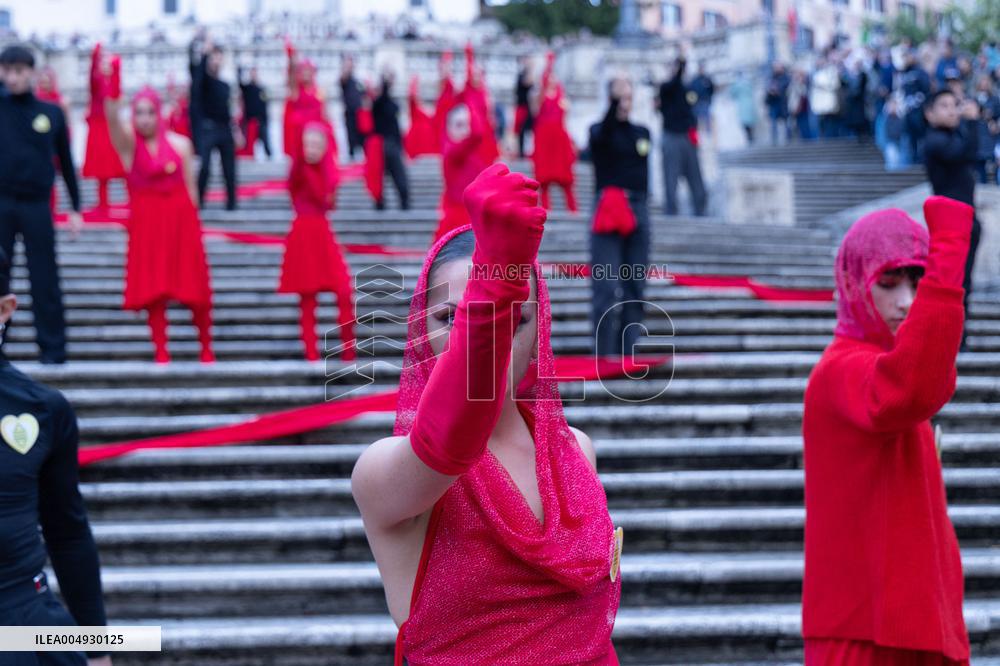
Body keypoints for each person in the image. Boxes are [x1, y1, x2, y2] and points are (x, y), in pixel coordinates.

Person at [352, 163, 622, 664]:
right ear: (418, 331)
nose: (481, 340)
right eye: (450, 318)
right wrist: (497, 278)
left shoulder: (578, 451)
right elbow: (454, 432)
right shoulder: (384, 470)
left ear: (539, 333)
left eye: (514, 319)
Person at [802, 197, 973, 666]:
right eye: (888, 282)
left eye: (917, 282)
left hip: (911, 627)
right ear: (855, 284)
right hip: (864, 638)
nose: (906, 301)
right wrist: (950, 249)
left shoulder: (874, 366)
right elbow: (914, 384)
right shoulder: (839, 370)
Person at [0, 246, 112, 666]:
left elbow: (67, 532)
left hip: (20, 626)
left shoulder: (43, 410)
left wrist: (100, 649)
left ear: (5, 309)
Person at [105, 87, 215, 364]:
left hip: (181, 221)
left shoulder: (181, 145)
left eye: (150, 112)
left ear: (159, 113)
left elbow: (191, 190)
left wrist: (195, 230)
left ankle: (206, 347)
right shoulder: (129, 146)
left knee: (194, 284)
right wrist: (111, 85)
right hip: (147, 224)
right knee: (155, 287)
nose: (144, 119)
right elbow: (111, 120)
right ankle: (161, 350)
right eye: (139, 113)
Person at [0, 44, 82, 365]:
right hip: (1, 203)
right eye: (7, 70)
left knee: (44, 277)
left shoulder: (50, 113)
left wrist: (76, 208)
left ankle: (53, 349)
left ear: (32, 72)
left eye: (20, 71)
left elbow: (66, 161)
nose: (13, 77)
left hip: (36, 205)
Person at [280, 120, 356, 362]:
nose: (311, 148)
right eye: (307, 144)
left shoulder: (328, 171)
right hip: (303, 233)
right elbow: (292, 187)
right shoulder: (299, 167)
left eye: (316, 144)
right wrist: (302, 160)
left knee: (344, 290)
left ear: (325, 147)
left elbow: (327, 200)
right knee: (307, 296)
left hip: (322, 232)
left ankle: (348, 349)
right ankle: (311, 353)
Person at [589, 76, 651, 357]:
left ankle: (629, 351)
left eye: (628, 97)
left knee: (635, 282)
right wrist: (612, 107)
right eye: (619, 98)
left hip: (637, 208)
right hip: (608, 208)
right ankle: (604, 354)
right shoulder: (599, 131)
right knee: (605, 285)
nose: (625, 103)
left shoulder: (642, 132)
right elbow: (601, 138)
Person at [924, 88, 981, 349]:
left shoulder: (953, 137)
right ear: (930, 113)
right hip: (950, 224)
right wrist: (971, 122)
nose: (953, 110)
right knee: (954, 283)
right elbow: (964, 153)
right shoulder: (934, 141)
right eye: (945, 105)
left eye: (954, 104)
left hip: (965, 220)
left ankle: (958, 336)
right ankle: (952, 337)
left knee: (964, 282)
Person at [657, 54, 707, 216]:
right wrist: (680, 63)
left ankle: (700, 211)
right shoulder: (666, 89)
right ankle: (671, 212)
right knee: (670, 180)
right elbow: (674, 83)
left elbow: (692, 108)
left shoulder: (687, 90)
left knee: (696, 178)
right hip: (671, 136)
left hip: (687, 137)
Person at [192, 39, 237, 211]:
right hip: (207, 129)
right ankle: (199, 202)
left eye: (219, 58)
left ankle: (232, 205)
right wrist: (204, 54)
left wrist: (235, 130)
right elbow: (198, 79)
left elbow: (228, 112)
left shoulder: (225, 85)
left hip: (225, 130)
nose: (216, 61)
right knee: (204, 167)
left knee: (229, 169)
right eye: (213, 58)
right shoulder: (203, 82)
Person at [531, 51, 577, 213]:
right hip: (544, 139)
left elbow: (565, 119)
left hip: (558, 140)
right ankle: (545, 209)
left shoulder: (562, 97)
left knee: (566, 179)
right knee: (544, 179)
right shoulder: (540, 97)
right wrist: (549, 63)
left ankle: (572, 209)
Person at [82, 43, 126, 212]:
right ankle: (102, 203)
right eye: (103, 61)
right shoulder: (96, 82)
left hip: (112, 126)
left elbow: (116, 90)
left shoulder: (113, 83)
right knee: (100, 167)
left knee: (121, 164)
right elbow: (92, 75)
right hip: (99, 126)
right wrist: (96, 52)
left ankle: (130, 198)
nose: (105, 65)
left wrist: (115, 64)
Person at [434, 101, 485, 241]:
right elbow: (477, 134)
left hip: (472, 218)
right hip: (458, 220)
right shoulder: (451, 152)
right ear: (448, 128)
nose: (464, 130)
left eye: (467, 125)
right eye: (459, 125)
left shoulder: (471, 155)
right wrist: (472, 105)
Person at [371, 68, 410, 211]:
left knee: (397, 174)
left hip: (392, 143)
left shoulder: (389, 104)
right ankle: (380, 203)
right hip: (383, 144)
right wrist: (385, 79)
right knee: (380, 176)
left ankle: (404, 202)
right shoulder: (377, 104)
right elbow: (384, 94)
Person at [283, 42, 329, 160]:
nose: (306, 74)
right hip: (300, 133)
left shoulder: (319, 90)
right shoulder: (296, 89)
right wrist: (291, 56)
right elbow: (291, 75)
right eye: (304, 71)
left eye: (309, 71)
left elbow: (325, 112)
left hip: (316, 134)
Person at [238, 66, 271, 159]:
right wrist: (239, 71)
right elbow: (240, 84)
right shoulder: (247, 88)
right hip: (250, 120)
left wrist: (265, 119)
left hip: (261, 120)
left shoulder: (262, 89)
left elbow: (265, 105)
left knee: (265, 141)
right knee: (249, 141)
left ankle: (269, 157)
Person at [403, 74, 439, 159]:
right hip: (417, 156)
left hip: (433, 156)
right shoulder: (416, 112)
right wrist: (414, 83)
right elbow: (411, 98)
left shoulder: (438, 112)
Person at [339, 55, 365, 161]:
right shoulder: (344, 79)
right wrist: (346, 66)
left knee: (361, 136)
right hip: (349, 113)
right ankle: (352, 155)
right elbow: (343, 78)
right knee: (351, 135)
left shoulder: (357, 81)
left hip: (359, 113)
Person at [765, 62, 790, 145]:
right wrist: (770, 91)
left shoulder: (786, 77)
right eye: (775, 67)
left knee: (786, 121)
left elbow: (786, 87)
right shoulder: (771, 77)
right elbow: (767, 88)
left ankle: (788, 138)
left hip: (783, 102)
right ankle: (774, 140)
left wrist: (778, 90)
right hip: (773, 103)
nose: (776, 69)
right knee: (773, 122)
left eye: (778, 67)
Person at [514, 55, 534, 158]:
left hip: (529, 107)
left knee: (530, 130)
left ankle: (529, 150)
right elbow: (526, 83)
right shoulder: (521, 75)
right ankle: (521, 152)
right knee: (521, 130)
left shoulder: (529, 75)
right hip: (522, 107)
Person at [730, 70, 758, 144]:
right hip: (749, 103)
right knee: (749, 121)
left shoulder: (736, 84)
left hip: (742, 105)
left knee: (745, 122)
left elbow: (732, 94)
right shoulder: (747, 82)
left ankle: (749, 137)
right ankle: (751, 136)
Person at [689, 61, 715, 139]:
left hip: (705, 102)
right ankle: (698, 136)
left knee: (707, 120)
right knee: (696, 121)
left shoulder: (707, 79)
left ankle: (708, 136)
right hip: (697, 103)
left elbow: (711, 90)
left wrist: (709, 98)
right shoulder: (695, 80)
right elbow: (691, 92)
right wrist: (693, 102)